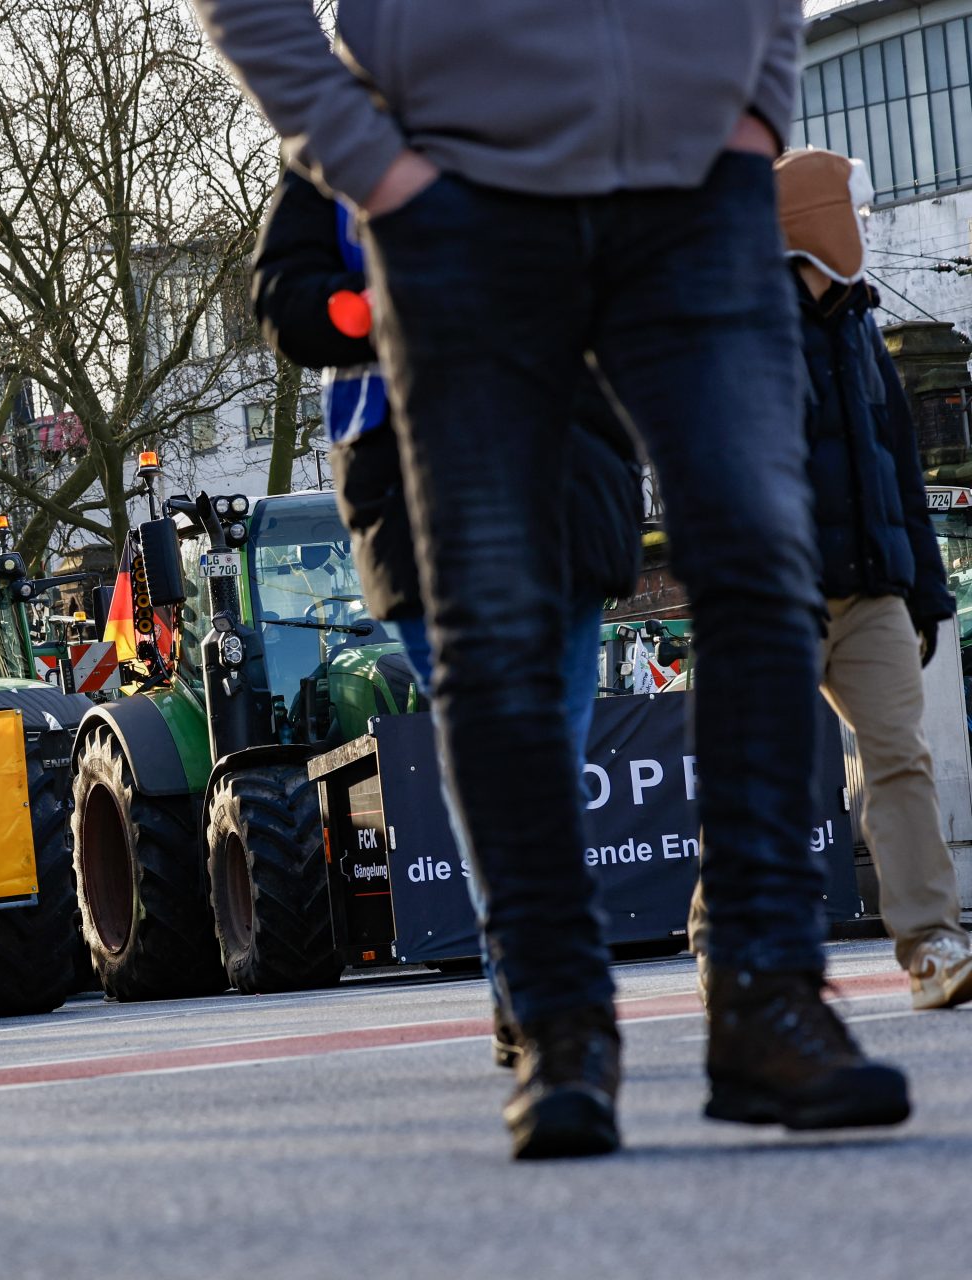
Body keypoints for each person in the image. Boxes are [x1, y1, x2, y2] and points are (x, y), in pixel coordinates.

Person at [195, 0, 909, 1158]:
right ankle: (558, 1019)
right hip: (464, 192)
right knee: (490, 627)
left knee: (768, 568)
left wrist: (753, 103)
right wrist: (378, 170)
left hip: (694, 176)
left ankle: (768, 987)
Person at [252, 169, 643, 1064]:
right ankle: (543, 989)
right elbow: (283, 294)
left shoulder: (555, 106)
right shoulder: (334, 141)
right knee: (493, 743)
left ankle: (535, 980)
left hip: (566, 455)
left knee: (546, 745)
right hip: (411, 471)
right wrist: (365, 309)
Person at [686, 149, 971, 1012]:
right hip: (773, 593)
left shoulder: (859, 327)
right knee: (759, 772)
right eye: (860, 209)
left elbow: (897, 466)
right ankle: (726, 944)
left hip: (874, 589)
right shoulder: (735, 326)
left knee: (899, 759)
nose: (871, 226)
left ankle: (931, 944)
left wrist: (925, 592)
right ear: (815, 223)